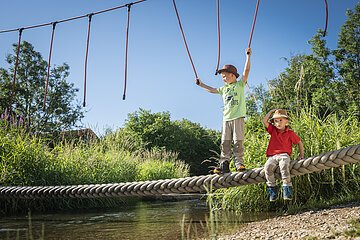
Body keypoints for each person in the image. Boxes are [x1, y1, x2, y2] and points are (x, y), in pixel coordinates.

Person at [196, 47, 252, 174]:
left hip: (238, 117)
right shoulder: (223, 89)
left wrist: (248, 56)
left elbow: (246, 70)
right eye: (222, 77)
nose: (223, 78)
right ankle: (224, 164)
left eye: (225, 76)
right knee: (225, 142)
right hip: (226, 119)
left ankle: (239, 164)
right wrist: (201, 84)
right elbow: (212, 90)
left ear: (232, 75)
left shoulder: (240, 85)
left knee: (238, 141)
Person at [262, 109, 304, 201]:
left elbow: (299, 143)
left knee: (284, 166)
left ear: (286, 121)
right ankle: (272, 191)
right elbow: (264, 121)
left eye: (281, 120)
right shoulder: (273, 130)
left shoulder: (290, 133)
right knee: (267, 167)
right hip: (272, 156)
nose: (278, 123)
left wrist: (301, 155)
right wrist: (270, 112)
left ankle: (287, 190)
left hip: (284, 155)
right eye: (276, 121)